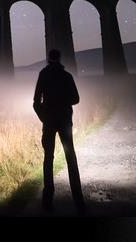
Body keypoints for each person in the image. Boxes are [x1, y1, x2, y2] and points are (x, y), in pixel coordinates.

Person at [33, 48, 85, 213]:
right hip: (64, 121)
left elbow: (35, 101)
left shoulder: (43, 74)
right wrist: (64, 103)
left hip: (49, 122)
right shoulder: (67, 76)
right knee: (71, 156)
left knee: (48, 158)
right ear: (60, 58)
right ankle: (78, 198)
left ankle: (47, 200)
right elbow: (76, 99)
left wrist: (44, 117)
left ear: (48, 58)